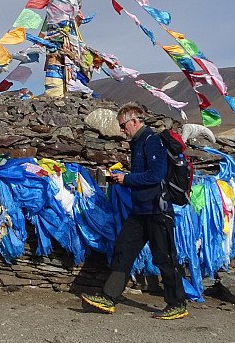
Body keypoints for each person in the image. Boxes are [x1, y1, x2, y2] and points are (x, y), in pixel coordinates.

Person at [81, 102, 189, 320]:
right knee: (123, 250)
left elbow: (156, 176)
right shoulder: (139, 143)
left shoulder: (152, 142)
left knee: (164, 258)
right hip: (140, 210)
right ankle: (109, 297)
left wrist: (127, 178)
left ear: (135, 121)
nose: (122, 130)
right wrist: (124, 180)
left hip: (157, 210)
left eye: (123, 125)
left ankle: (177, 303)